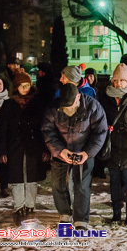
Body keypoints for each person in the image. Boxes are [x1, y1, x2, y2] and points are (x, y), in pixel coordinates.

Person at [42, 83, 108, 229]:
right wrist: (60, 151)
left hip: (83, 152)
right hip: (61, 152)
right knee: (58, 184)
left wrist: (87, 153)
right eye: (65, 107)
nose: (68, 109)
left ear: (78, 97)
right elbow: (48, 131)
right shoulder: (54, 107)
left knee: (82, 186)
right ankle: (64, 213)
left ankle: (81, 219)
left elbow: (100, 133)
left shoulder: (93, 106)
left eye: (71, 106)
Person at [0, 72, 50, 223]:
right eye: (22, 86)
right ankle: (19, 205)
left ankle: (30, 204)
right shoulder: (9, 104)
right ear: (16, 87)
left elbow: (43, 127)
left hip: (34, 146)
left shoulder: (37, 103)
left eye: (27, 85)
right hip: (14, 146)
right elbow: (2, 129)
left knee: (32, 177)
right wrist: (2, 150)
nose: (25, 89)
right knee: (16, 177)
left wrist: (45, 149)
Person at [99, 64, 127, 225]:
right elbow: (100, 117)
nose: (119, 84)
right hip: (112, 145)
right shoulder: (105, 98)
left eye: (122, 80)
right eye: (116, 80)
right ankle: (116, 212)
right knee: (114, 181)